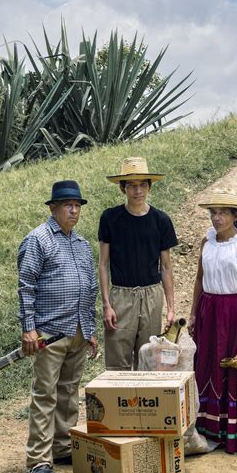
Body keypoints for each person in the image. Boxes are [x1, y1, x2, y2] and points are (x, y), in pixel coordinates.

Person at [18, 180, 98, 473]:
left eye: (77, 206)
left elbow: (89, 289)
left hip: (76, 330)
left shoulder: (81, 244)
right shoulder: (38, 240)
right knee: (45, 395)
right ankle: (38, 458)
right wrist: (29, 330)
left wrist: (89, 330)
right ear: (54, 208)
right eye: (68, 205)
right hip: (49, 333)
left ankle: (62, 447)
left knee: (68, 393)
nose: (74, 210)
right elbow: (26, 286)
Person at [189, 191, 237, 454]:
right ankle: (212, 428)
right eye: (213, 212)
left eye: (223, 212)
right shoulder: (207, 241)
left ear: (235, 215)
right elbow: (200, 280)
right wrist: (192, 314)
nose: (217, 218)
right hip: (210, 311)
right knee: (210, 364)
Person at [98, 156, 178, 370]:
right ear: (122, 188)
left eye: (143, 184)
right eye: (131, 185)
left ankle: (145, 402)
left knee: (149, 360)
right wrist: (106, 304)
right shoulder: (110, 218)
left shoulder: (161, 220)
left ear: (149, 186)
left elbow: (166, 267)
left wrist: (170, 308)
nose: (138, 190)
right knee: (117, 361)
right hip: (121, 296)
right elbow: (103, 264)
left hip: (152, 295)